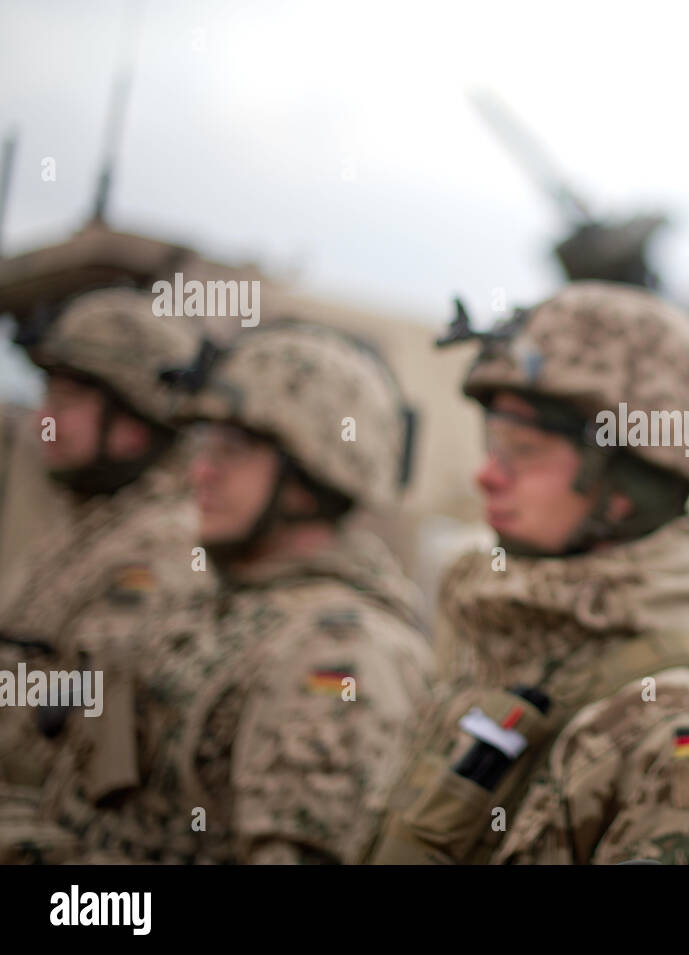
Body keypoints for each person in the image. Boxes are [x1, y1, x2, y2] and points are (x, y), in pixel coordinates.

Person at [370, 281, 689, 864]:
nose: (488, 473)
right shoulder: (503, 643)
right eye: (493, 441)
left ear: (627, 485)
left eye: (525, 448)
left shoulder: (684, 725)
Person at [44, 320, 434, 863]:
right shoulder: (215, 605)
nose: (202, 471)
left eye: (233, 450)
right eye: (204, 445)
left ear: (310, 473)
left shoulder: (343, 653)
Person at [0, 288, 210, 863]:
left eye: (68, 401)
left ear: (135, 419)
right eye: (48, 394)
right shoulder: (92, 525)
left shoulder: (164, 545)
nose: (45, 419)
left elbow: (85, 736)